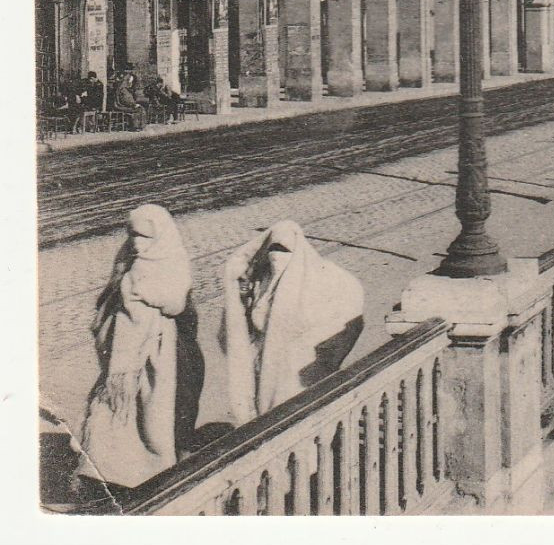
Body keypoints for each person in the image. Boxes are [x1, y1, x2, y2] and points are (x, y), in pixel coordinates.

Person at [77, 204, 202, 493]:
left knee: (159, 416)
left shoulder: (173, 260)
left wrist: (140, 292)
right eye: (133, 234)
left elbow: (177, 303)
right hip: (127, 354)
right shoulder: (128, 261)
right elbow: (109, 306)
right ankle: (114, 472)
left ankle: (158, 472)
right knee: (120, 415)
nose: (137, 242)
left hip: (168, 353)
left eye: (145, 236)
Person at [220, 221, 365, 425]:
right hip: (267, 370)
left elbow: (344, 319)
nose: (277, 257)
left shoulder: (321, 279)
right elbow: (243, 331)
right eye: (273, 250)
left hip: (301, 373)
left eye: (284, 251)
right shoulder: (262, 282)